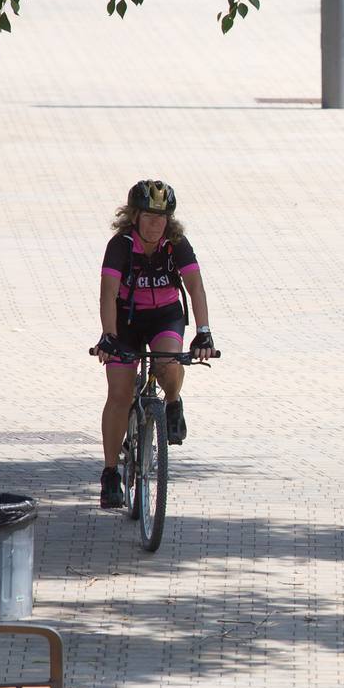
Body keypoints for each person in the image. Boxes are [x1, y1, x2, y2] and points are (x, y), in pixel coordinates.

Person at [95, 180, 215, 509]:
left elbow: (196, 289)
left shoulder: (176, 244)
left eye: (161, 218)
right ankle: (109, 475)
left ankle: (173, 402)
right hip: (126, 320)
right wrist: (109, 335)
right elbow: (108, 293)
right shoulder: (120, 245)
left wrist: (203, 331)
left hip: (165, 316)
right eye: (148, 216)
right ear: (134, 216)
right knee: (119, 394)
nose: (154, 224)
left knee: (169, 365)